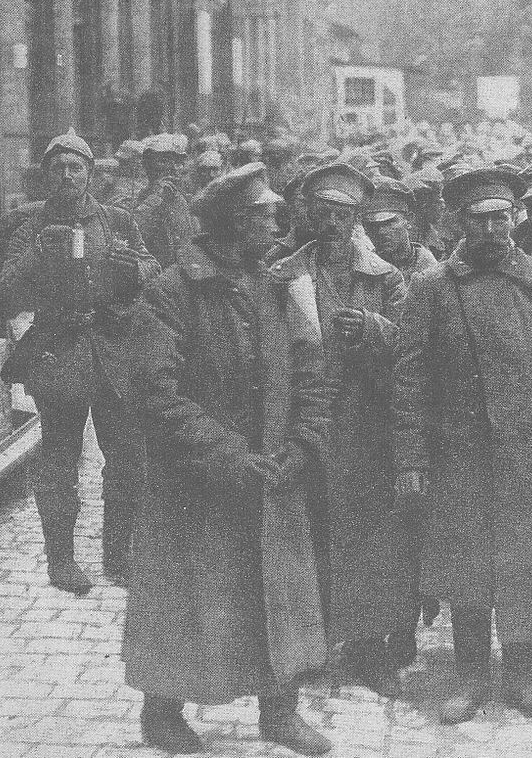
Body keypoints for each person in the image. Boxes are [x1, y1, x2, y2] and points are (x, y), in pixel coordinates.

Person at [124, 162, 334, 756]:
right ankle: (161, 714)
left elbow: (314, 374)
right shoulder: (174, 289)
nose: (276, 221)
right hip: (195, 481)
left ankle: (281, 714)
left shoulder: (283, 285)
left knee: (283, 592)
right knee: (184, 597)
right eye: (265, 214)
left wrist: (301, 446)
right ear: (234, 224)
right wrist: (227, 454)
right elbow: (157, 390)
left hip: (274, 473)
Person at [392, 167, 532, 723]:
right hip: (460, 455)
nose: (491, 230)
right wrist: (411, 456)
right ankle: (474, 678)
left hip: (529, 453)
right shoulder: (433, 287)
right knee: (468, 571)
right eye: (478, 220)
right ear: (460, 223)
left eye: (501, 217)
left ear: (514, 218)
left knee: (530, 567)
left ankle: (524, 675)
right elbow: (407, 378)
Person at [272, 163, 416, 698]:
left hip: (366, 426)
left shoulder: (384, 277)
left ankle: (371, 650)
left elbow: (412, 347)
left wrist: (373, 331)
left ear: (357, 217)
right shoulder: (285, 272)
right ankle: (314, 645)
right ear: (309, 214)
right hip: (305, 422)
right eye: (323, 210)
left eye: (343, 212)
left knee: (370, 539)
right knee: (309, 532)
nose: (332, 221)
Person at [0, 129, 159, 593]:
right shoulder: (28, 225)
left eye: (75, 167)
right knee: (60, 461)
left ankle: (118, 555)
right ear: (45, 175)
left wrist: (137, 268)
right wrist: (34, 256)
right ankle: (61, 562)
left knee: (127, 459)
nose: (66, 176)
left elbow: (153, 267)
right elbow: (2, 297)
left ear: (89, 173)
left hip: (113, 351)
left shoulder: (119, 220)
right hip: (58, 350)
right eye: (57, 168)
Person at [135, 134, 199, 270]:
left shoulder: (180, 199)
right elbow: (133, 233)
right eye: (163, 161)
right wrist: (156, 197)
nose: (173, 168)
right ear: (146, 165)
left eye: (177, 163)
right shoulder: (137, 197)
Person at [363, 177, 438, 279]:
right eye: (372, 225)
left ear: (409, 220)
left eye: (388, 222)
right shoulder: (364, 269)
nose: (381, 231)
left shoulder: (432, 271)